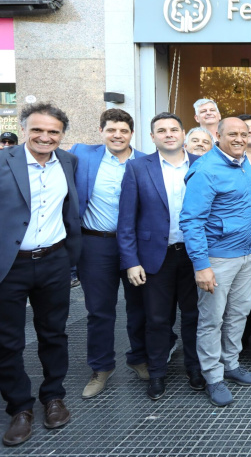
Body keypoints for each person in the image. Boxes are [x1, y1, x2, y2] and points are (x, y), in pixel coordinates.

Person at [0, 103, 80, 447]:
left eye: (53, 131)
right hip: (9, 265)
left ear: (62, 135)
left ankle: (53, 396)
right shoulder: (3, 162)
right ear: (24, 129)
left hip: (54, 261)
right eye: (37, 129)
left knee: (54, 333)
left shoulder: (68, 162)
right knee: (8, 341)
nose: (45, 137)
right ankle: (19, 407)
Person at [117, 112, 202, 400]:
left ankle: (195, 368)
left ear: (183, 134)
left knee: (194, 316)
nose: (169, 134)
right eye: (162, 130)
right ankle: (156, 373)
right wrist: (131, 261)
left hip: (194, 255)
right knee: (156, 319)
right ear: (152, 137)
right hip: (155, 257)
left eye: (174, 129)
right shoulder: (137, 168)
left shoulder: (202, 165)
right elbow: (126, 221)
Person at [180, 117, 251, 407]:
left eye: (244, 134)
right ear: (218, 135)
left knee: (238, 313)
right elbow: (191, 221)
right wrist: (202, 265)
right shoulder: (205, 169)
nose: (239, 139)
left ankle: (231, 363)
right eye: (232, 134)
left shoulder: (243, 162)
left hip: (247, 255)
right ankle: (213, 377)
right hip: (217, 258)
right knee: (212, 320)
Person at [70, 109, 148, 398]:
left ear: (132, 134)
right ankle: (101, 368)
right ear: (101, 131)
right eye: (111, 130)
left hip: (136, 247)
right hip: (95, 244)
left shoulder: (146, 161)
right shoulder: (81, 155)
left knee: (139, 306)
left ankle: (139, 358)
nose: (117, 135)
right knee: (99, 310)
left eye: (123, 131)